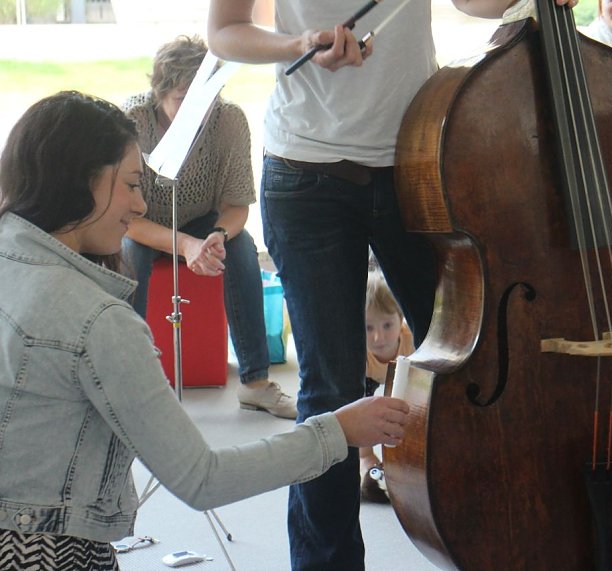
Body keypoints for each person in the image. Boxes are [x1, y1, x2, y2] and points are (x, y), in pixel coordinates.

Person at [206, 0, 575, 568]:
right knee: (331, 389)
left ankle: (495, 541)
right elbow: (225, 32)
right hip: (306, 174)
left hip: (420, 157)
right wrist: (297, 43)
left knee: (471, 365)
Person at [0, 91, 411, 570]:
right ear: (82, 181)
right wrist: (338, 429)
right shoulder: (98, 322)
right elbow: (202, 477)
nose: (139, 204)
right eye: (132, 185)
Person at [121, 35, 297, 419]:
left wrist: (217, 235)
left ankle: (255, 383)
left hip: (203, 217)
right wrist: (184, 245)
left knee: (242, 247)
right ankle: (126, 380)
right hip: (145, 219)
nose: (196, 111)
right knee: (128, 256)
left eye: (206, 96)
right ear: (160, 93)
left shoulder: (229, 120)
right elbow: (125, 218)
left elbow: (237, 204)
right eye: (184, 99)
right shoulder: (133, 120)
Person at [360, 271, 415, 503]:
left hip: (405, 370)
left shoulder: (411, 339)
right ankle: (365, 457)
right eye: (368, 328)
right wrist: (366, 452)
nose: (378, 337)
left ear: (400, 318)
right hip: (369, 375)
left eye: (387, 325)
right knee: (362, 410)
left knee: (411, 409)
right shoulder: (360, 352)